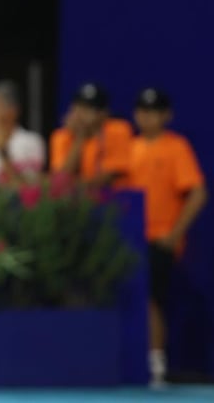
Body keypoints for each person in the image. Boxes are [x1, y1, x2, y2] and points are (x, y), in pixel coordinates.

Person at [127, 87, 207, 387]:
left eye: (154, 112)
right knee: (131, 300)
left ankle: (156, 365)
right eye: (142, 111)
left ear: (166, 116)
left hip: (159, 238)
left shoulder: (176, 147)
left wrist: (174, 235)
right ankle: (131, 363)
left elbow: (197, 192)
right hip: (129, 238)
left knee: (152, 300)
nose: (147, 118)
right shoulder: (129, 147)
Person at [49, 81, 133, 190]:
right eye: (79, 107)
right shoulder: (61, 136)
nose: (82, 114)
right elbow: (61, 177)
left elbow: (111, 174)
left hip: (115, 197)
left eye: (90, 108)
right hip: (74, 198)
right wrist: (80, 138)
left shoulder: (118, 130)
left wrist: (78, 186)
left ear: (104, 113)